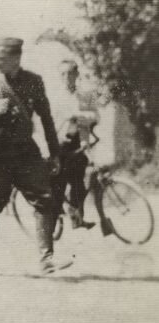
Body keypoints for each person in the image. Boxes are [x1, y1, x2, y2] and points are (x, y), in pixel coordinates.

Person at [0, 37, 71, 278]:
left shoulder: (34, 81)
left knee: (45, 200)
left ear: (16, 58)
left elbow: (46, 119)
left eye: (2, 58)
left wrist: (54, 153)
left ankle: (47, 259)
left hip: (25, 152)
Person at [51, 59, 99, 229]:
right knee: (59, 182)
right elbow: (50, 122)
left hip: (77, 143)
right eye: (63, 74)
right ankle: (51, 222)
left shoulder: (83, 96)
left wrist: (79, 116)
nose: (66, 77)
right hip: (59, 143)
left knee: (79, 182)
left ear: (76, 74)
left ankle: (75, 216)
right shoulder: (56, 97)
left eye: (70, 73)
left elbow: (94, 117)